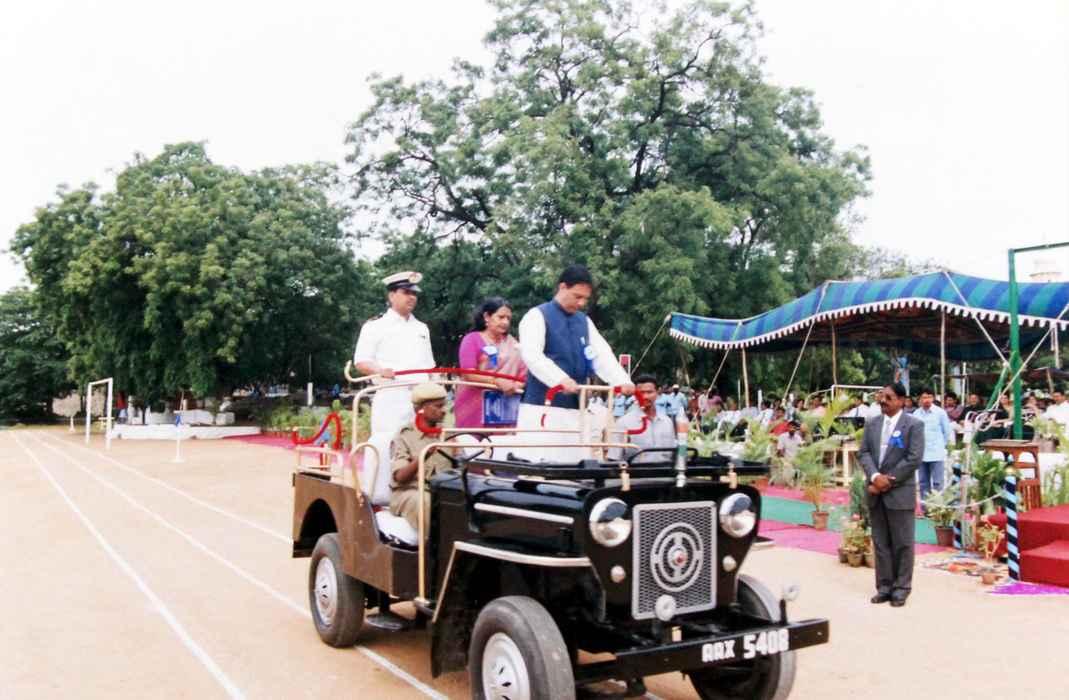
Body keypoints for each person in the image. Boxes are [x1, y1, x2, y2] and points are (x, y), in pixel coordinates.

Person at [516, 264, 634, 461]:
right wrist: (559, 379)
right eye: (577, 296)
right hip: (543, 408)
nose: (581, 303)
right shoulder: (536, 316)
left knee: (574, 465)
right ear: (562, 287)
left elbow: (602, 355)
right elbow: (532, 355)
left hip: (576, 409)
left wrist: (621, 380)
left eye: (585, 299)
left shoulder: (584, 321)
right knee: (540, 465)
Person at [353, 271, 436, 504]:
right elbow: (361, 361)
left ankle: (414, 494)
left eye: (414, 294)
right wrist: (379, 370)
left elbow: (429, 365)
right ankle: (378, 497)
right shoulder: (375, 326)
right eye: (406, 292)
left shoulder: (422, 328)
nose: (411, 297)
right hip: (392, 395)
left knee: (420, 443)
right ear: (391, 295)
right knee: (386, 442)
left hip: (420, 397)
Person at [858, 382, 924, 607]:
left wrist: (887, 481)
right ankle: (884, 587)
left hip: (899, 493)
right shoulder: (872, 423)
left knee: (903, 544)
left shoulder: (914, 425)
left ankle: (901, 589)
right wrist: (875, 476)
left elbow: (913, 458)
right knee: (881, 543)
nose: (883, 401)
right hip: (875, 492)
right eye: (881, 396)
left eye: (889, 397)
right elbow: (864, 453)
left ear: (902, 401)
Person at [389, 383, 454, 532]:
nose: (444, 410)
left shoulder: (448, 434)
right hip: (410, 492)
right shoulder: (404, 436)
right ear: (421, 409)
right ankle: (431, 545)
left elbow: (461, 466)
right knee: (426, 501)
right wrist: (424, 455)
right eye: (438, 406)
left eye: (444, 405)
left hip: (442, 490)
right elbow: (400, 477)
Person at [455, 297, 527, 428]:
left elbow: (524, 374)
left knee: (502, 440)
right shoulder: (472, 339)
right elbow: (468, 373)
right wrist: (497, 381)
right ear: (487, 317)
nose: (505, 322)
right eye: (501, 317)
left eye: (508, 318)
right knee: (471, 440)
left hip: (506, 402)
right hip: (474, 405)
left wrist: (514, 386)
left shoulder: (513, 343)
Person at [609, 374, 687, 463]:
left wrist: (683, 449)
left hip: (665, 470)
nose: (645, 396)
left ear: (658, 392)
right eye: (641, 393)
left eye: (649, 392)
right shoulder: (623, 423)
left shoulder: (667, 422)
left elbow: (677, 452)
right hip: (636, 471)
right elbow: (613, 458)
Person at [913, 388, 954, 509]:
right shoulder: (916, 414)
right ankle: (926, 509)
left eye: (929, 397)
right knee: (923, 482)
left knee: (938, 483)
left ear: (933, 398)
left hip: (936, 453)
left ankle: (938, 509)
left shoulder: (940, 413)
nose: (926, 400)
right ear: (920, 399)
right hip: (921, 453)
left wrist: (941, 445)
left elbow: (947, 432)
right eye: (924, 397)